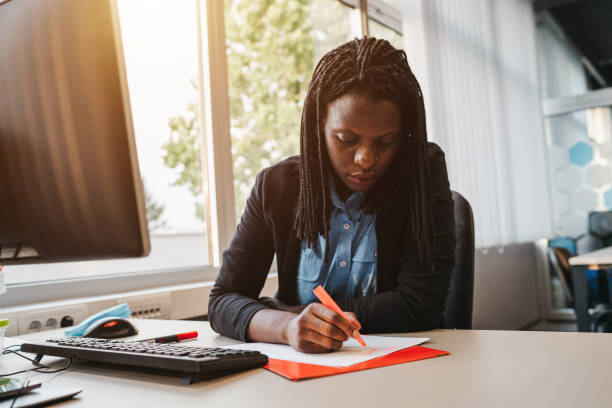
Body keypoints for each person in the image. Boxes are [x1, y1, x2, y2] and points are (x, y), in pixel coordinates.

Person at [209, 37, 455, 353]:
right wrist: (286, 328)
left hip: (403, 370)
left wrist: (286, 311)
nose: (365, 159)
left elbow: (420, 304)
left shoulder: (422, 173)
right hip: (304, 373)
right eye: (346, 139)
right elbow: (222, 300)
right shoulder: (276, 186)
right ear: (319, 126)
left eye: (385, 142)